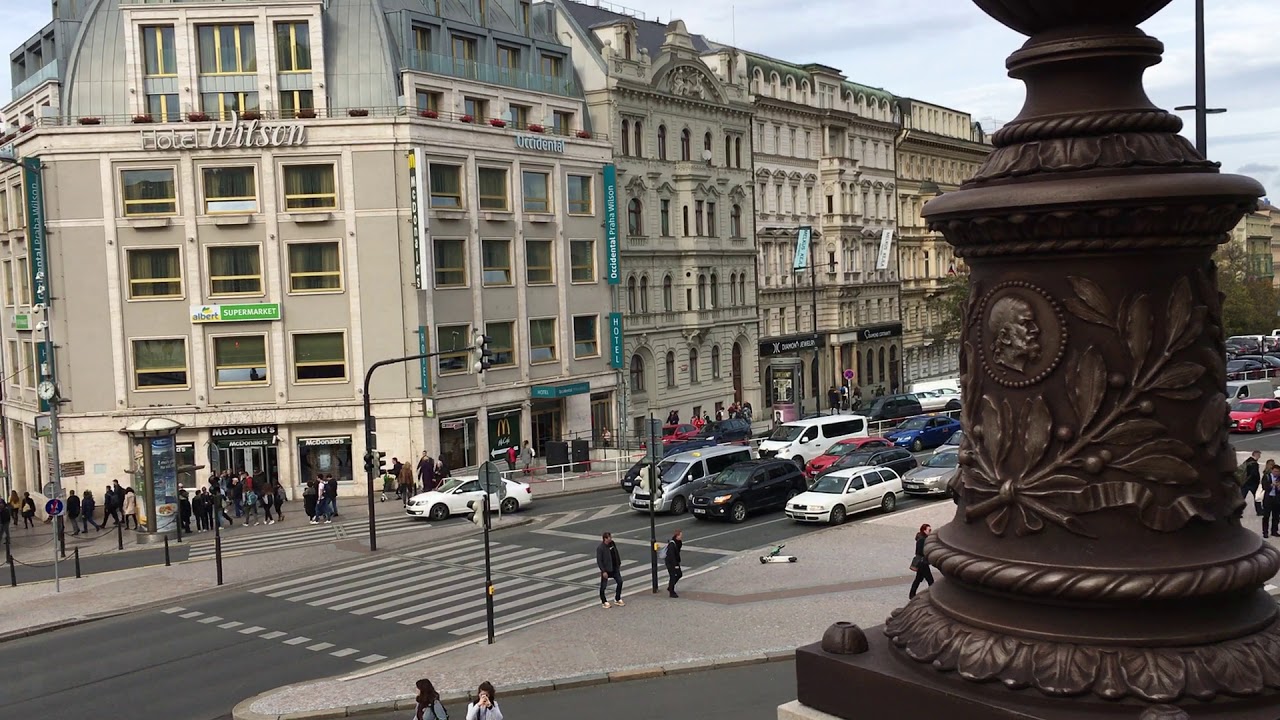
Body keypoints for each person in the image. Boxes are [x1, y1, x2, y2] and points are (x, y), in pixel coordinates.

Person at [596, 531, 625, 609]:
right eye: (609, 538)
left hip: (614, 567)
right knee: (603, 586)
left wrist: (618, 563)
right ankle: (604, 601)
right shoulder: (600, 548)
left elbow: (616, 552)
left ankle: (617, 598)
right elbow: (599, 560)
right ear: (605, 539)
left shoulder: (612, 543)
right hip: (607, 569)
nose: (610, 539)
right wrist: (603, 571)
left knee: (620, 582)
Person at [909, 524, 935, 599]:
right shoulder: (922, 539)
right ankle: (933, 595)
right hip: (923, 563)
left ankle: (912, 594)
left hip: (921, 562)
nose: (930, 532)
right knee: (930, 580)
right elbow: (919, 551)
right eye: (929, 530)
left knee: (918, 579)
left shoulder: (922, 538)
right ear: (924, 531)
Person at [664, 529, 684, 598]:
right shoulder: (672, 544)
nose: (681, 537)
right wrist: (675, 565)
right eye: (680, 535)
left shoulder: (679, 542)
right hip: (670, 562)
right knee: (673, 576)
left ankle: (670, 587)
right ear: (677, 536)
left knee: (679, 574)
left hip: (675, 562)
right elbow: (672, 556)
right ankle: (671, 592)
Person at [1262, 467, 1280, 538]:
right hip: (1268, 498)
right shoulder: (1267, 477)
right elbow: (1264, 487)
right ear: (1272, 471)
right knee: (1266, 516)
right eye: (1275, 471)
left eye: (1278, 472)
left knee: (1276, 516)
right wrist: (1271, 485)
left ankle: (1274, 531)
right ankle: (1265, 532)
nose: (1276, 473)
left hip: (1277, 499)